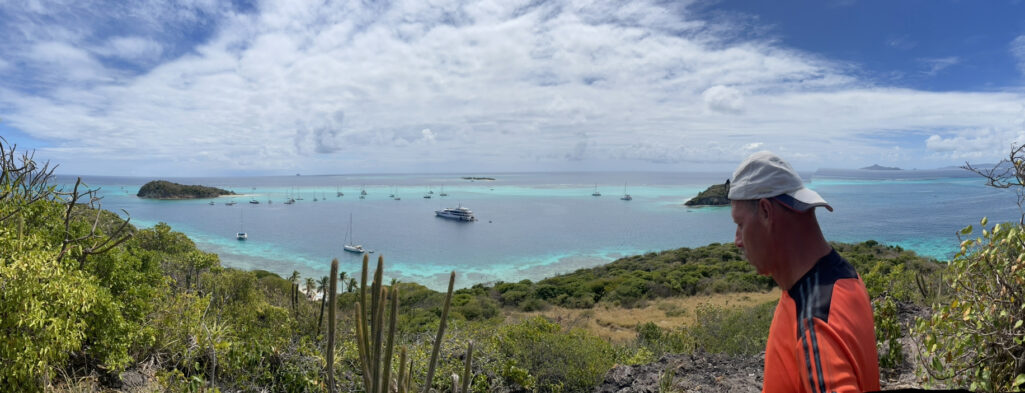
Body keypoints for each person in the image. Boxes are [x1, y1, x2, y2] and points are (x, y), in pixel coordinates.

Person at [728, 151, 880, 393]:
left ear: (766, 212)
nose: (737, 240)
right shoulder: (845, 277)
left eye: (740, 224)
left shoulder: (814, 320)